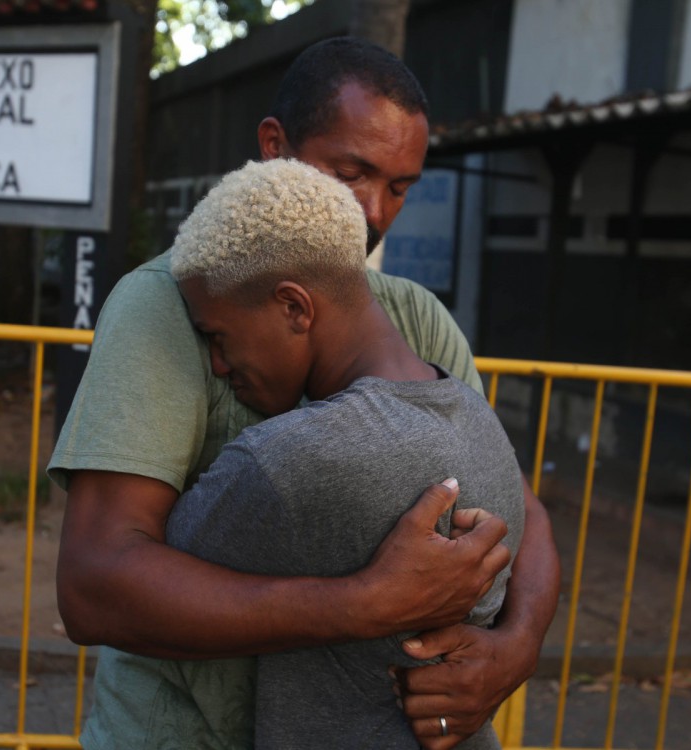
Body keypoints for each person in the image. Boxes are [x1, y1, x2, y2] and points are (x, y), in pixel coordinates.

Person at [51, 36, 560, 749]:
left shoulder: (414, 317)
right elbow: (96, 582)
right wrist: (358, 605)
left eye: (400, 186)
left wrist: (515, 649)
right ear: (273, 146)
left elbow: (513, 506)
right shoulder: (168, 305)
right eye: (351, 171)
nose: (374, 211)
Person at [163, 157, 525, 749]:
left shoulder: (290, 460)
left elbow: (134, 586)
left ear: (294, 307)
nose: (218, 366)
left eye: (218, 336)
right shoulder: (478, 420)